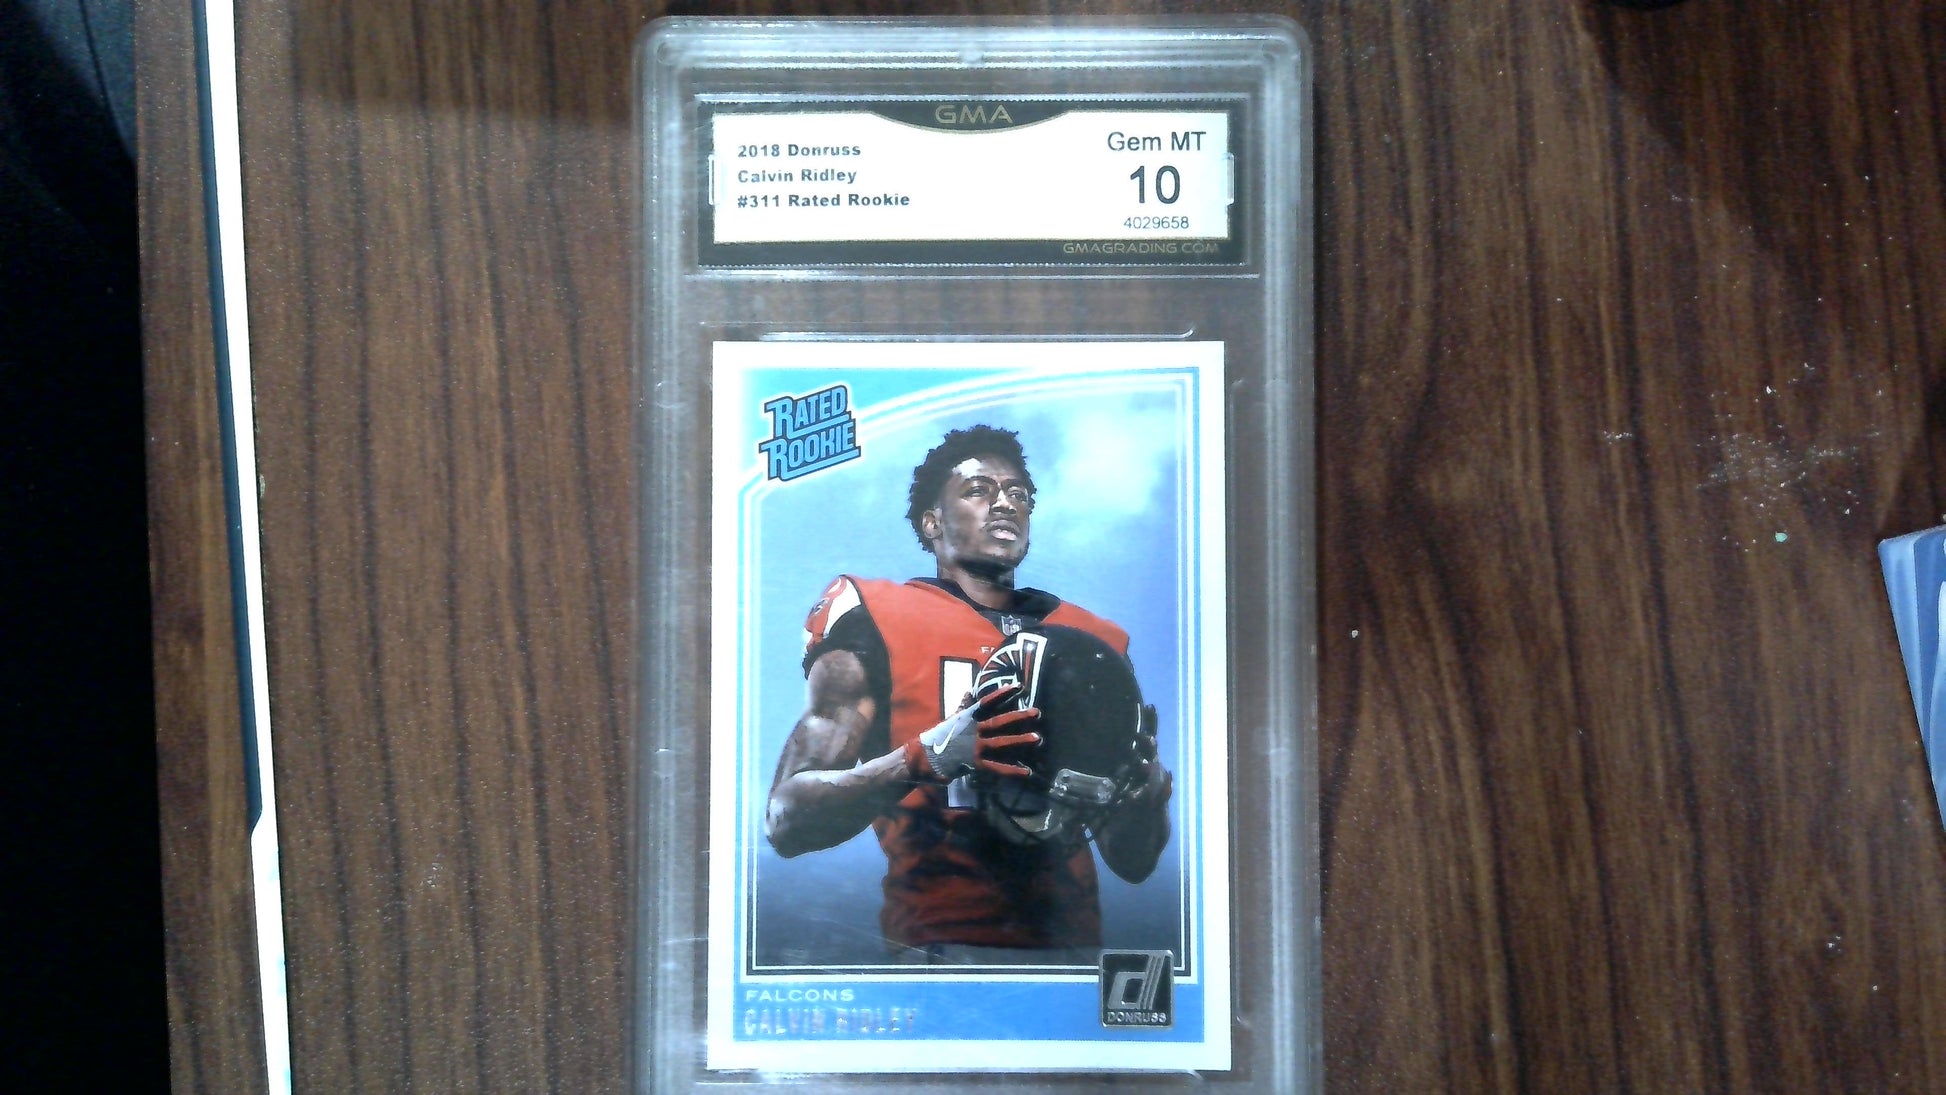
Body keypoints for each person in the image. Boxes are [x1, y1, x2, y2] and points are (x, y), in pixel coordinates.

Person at [764, 425, 1173, 964]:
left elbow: (1134, 862)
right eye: (979, 490)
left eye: (1018, 493)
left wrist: (1144, 795)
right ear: (932, 522)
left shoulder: (1093, 642)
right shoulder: (878, 613)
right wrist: (927, 756)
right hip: (940, 948)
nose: (1005, 503)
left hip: (1073, 954)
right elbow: (787, 819)